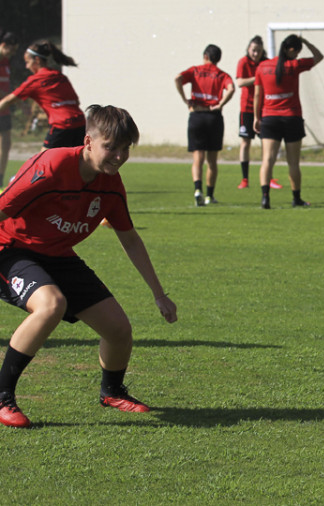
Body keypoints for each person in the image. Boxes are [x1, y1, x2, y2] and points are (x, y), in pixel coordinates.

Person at [0, 104, 178, 428]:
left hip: (59, 255)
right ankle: (3, 398)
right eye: (111, 147)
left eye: (126, 148)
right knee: (51, 304)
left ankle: (111, 392)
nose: (119, 156)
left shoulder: (110, 184)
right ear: (88, 141)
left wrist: (159, 294)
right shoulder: (51, 166)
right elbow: (2, 208)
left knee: (119, 329)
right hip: (12, 249)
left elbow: (130, 239)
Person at [253, 34, 323, 209]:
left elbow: (257, 94)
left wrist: (256, 117)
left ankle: (265, 197)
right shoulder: (294, 65)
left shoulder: (262, 66)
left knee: (267, 160)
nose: (298, 56)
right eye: (297, 52)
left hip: (269, 118)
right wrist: (306, 41)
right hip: (291, 117)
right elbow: (319, 57)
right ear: (290, 50)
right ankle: (296, 198)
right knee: (293, 162)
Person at [175, 44, 235, 206]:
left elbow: (177, 78)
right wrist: (221, 103)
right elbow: (231, 88)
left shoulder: (195, 70)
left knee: (198, 158)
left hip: (197, 116)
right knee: (212, 160)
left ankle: (197, 190)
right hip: (213, 117)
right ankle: (209, 195)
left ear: (205, 56)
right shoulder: (222, 75)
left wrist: (184, 99)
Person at [0, 40, 85, 152]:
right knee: (76, 164)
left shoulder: (35, 81)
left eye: (28, 62)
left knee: (42, 164)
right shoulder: (60, 76)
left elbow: (6, 101)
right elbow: (76, 102)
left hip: (62, 124)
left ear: (37, 60)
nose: (26, 66)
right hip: (80, 123)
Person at [234, 36, 279, 190]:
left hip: (264, 108)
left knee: (267, 144)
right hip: (247, 108)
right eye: (253, 50)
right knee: (245, 142)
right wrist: (258, 78)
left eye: (258, 51)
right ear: (248, 49)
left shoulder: (266, 62)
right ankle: (244, 178)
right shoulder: (243, 62)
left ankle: (270, 177)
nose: (255, 53)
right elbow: (240, 82)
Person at [0, 29, 19, 184]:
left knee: (6, 143)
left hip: (3, 109)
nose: (12, 53)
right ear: (3, 45)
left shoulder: (6, 62)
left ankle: (0, 179)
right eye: (11, 50)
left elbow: (7, 84)